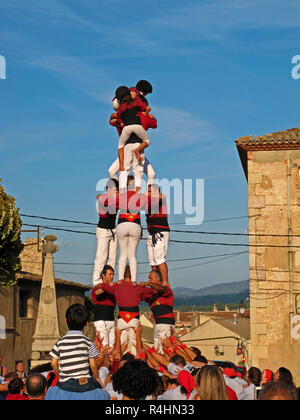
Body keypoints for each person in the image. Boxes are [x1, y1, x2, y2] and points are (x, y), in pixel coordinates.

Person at [96, 268, 161, 354]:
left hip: (121, 319)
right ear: (134, 274)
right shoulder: (138, 287)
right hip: (134, 319)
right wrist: (146, 284)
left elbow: (99, 286)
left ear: (121, 275)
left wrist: (111, 284)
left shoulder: (116, 287)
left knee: (120, 347)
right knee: (136, 348)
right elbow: (156, 290)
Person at [49, 304, 103, 394]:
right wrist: (97, 378)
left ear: (66, 321)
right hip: (84, 382)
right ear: (86, 324)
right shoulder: (88, 341)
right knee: (98, 387)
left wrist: (61, 375)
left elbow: (53, 363)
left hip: (65, 383)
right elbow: (93, 365)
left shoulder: (60, 342)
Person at [116, 176, 142, 284]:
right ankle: (134, 280)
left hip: (122, 223)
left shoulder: (121, 195)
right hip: (135, 223)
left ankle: (120, 279)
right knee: (132, 255)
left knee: (122, 254)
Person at [141, 269, 175, 354]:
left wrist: (147, 284)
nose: (148, 280)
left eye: (150, 278)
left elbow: (162, 289)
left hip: (166, 324)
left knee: (165, 350)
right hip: (158, 325)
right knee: (158, 350)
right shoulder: (151, 295)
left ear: (158, 279)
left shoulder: (166, 290)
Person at [93, 178, 119, 286]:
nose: (116, 192)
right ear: (108, 189)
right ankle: (96, 280)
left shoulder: (116, 199)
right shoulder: (103, 198)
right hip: (103, 229)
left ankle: (109, 279)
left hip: (113, 229)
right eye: (115, 190)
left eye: (117, 190)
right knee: (101, 256)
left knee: (113, 256)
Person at [145, 184, 170, 286]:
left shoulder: (161, 198)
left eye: (151, 191)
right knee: (153, 261)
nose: (149, 193)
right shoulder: (148, 203)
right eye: (148, 191)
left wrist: (150, 194)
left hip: (160, 230)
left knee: (159, 258)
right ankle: (156, 281)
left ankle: (165, 282)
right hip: (151, 232)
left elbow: (162, 196)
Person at [92, 265, 116, 349]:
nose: (112, 276)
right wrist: (107, 287)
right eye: (109, 274)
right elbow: (97, 293)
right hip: (101, 320)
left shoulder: (113, 289)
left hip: (111, 320)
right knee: (104, 347)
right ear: (103, 275)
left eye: (113, 274)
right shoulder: (98, 287)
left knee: (112, 347)